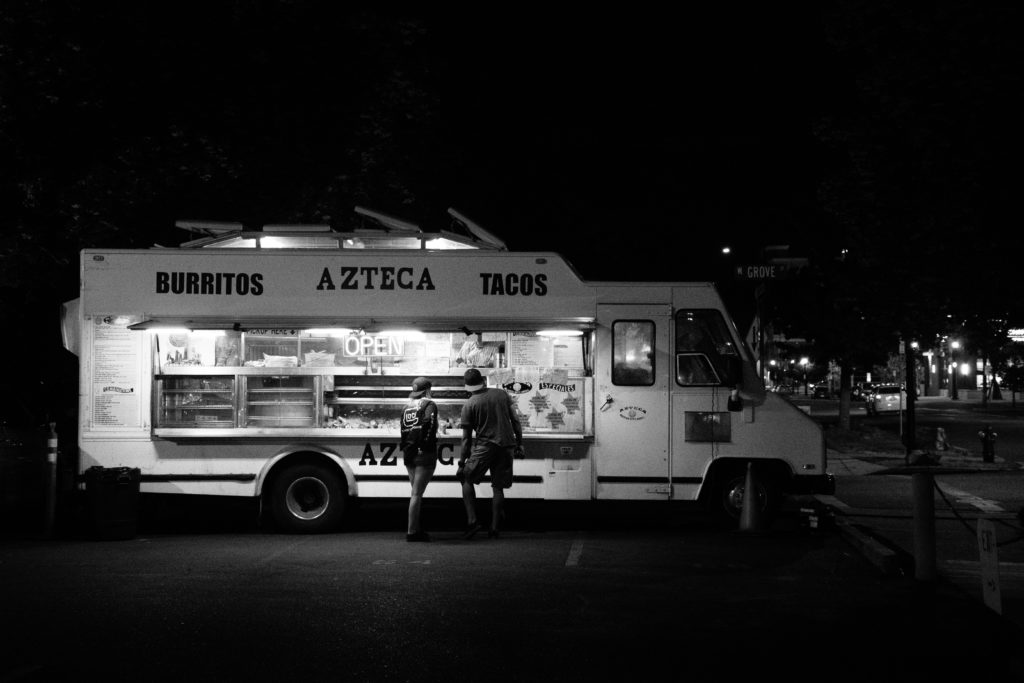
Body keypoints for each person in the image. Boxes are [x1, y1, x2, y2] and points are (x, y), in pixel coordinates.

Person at [457, 368, 523, 539]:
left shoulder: (469, 404)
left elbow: (466, 440)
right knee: (498, 487)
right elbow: (515, 421)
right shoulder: (501, 394)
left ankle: (472, 521)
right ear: (483, 381)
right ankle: (494, 528)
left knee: (466, 477)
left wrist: (461, 462)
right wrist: (519, 444)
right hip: (507, 445)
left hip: (485, 446)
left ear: (467, 386)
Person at [400, 377, 438, 542]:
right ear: (428, 390)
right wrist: (426, 445)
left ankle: (415, 528)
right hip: (423, 453)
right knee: (416, 494)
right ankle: (412, 532)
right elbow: (429, 423)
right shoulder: (430, 405)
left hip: (409, 453)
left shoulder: (405, 406)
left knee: (415, 492)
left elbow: (403, 430)